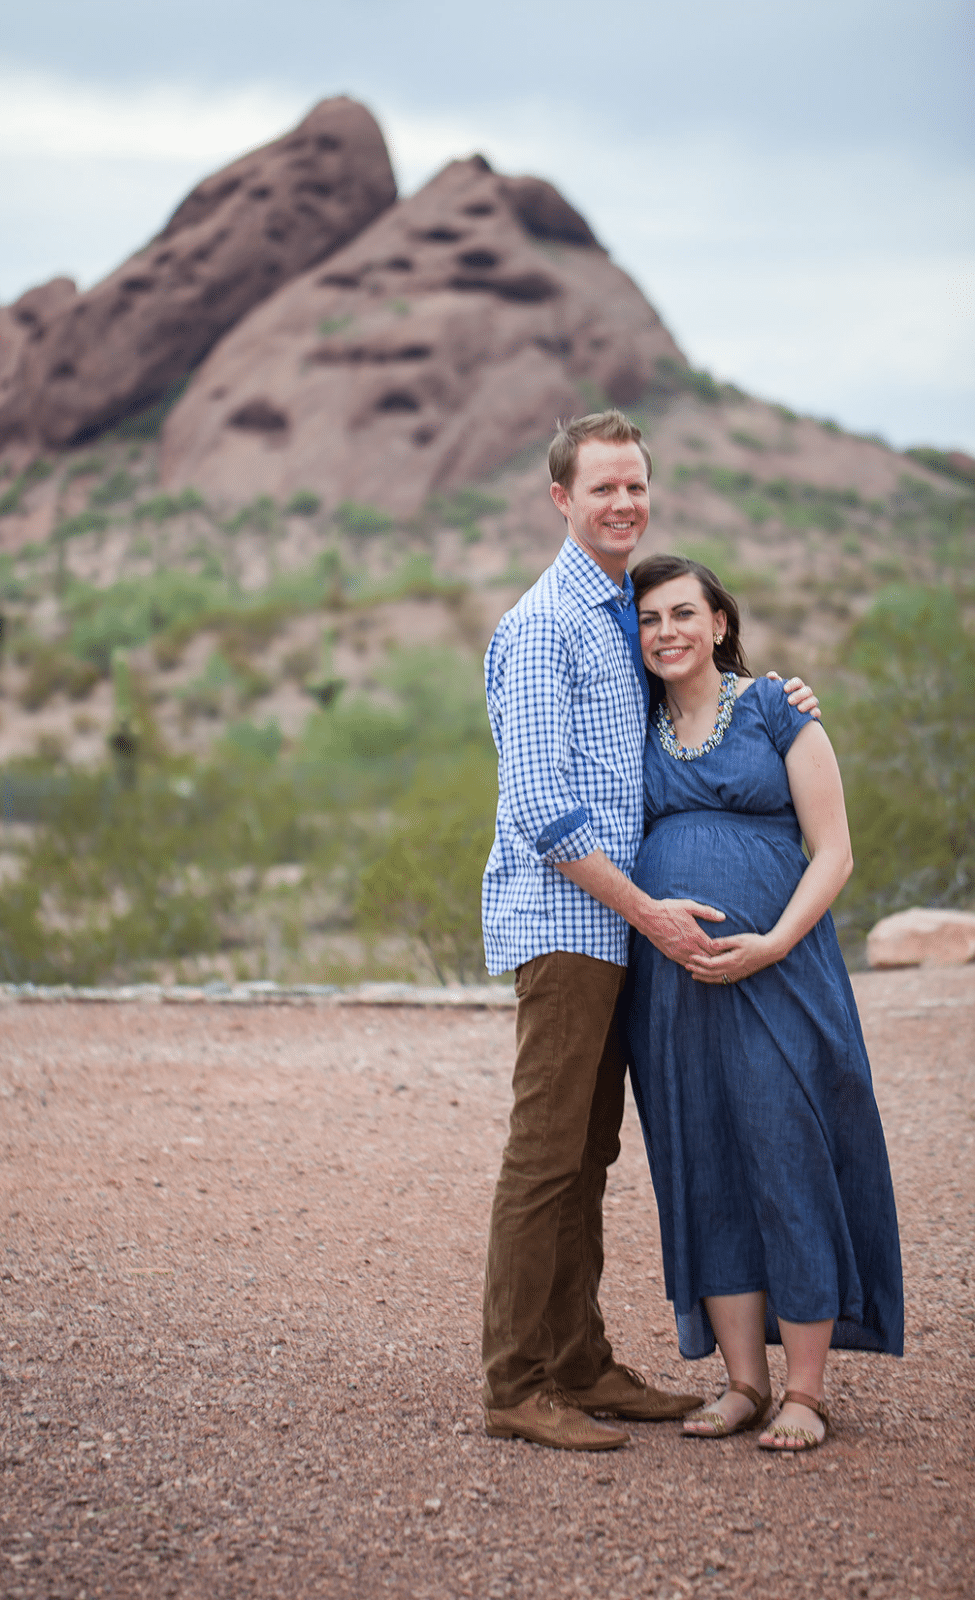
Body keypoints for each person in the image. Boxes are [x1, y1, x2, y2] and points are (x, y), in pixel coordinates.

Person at [479, 410, 819, 1452]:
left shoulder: (616, 611)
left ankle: (576, 1360)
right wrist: (648, 913)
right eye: (600, 489)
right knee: (546, 1156)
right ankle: (516, 1383)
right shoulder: (543, 624)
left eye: (633, 486)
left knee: (588, 1152)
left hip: (617, 933)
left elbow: (688, 699)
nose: (621, 503)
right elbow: (541, 808)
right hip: (571, 921)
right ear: (559, 501)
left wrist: (778, 699)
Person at [626, 553, 904, 1450]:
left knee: (790, 1152)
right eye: (648, 620)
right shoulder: (631, 727)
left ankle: (807, 1391)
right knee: (701, 1161)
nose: (665, 632)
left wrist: (774, 942)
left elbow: (834, 851)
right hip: (673, 989)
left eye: (681, 614)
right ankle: (743, 1382)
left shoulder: (776, 710)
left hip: (781, 973)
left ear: (716, 623)